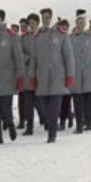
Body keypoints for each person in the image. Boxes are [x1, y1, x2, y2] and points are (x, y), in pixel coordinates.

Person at [30, 13, 74, 142]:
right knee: (45, 109)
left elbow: (68, 57)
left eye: (48, 18)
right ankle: (52, 127)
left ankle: (52, 134)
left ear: (52, 19)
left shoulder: (61, 36)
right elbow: (34, 58)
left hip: (58, 79)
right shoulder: (37, 37)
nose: (45, 20)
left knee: (54, 109)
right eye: (43, 18)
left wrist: (70, 75)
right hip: (42, 79)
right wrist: (32, 75)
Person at [0, 9, 24, 144]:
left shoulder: (11, 36)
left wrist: (20, 76)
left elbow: (18, 58)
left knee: (6, 107)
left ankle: (11, 125)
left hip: (7, 78)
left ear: (2, 20)